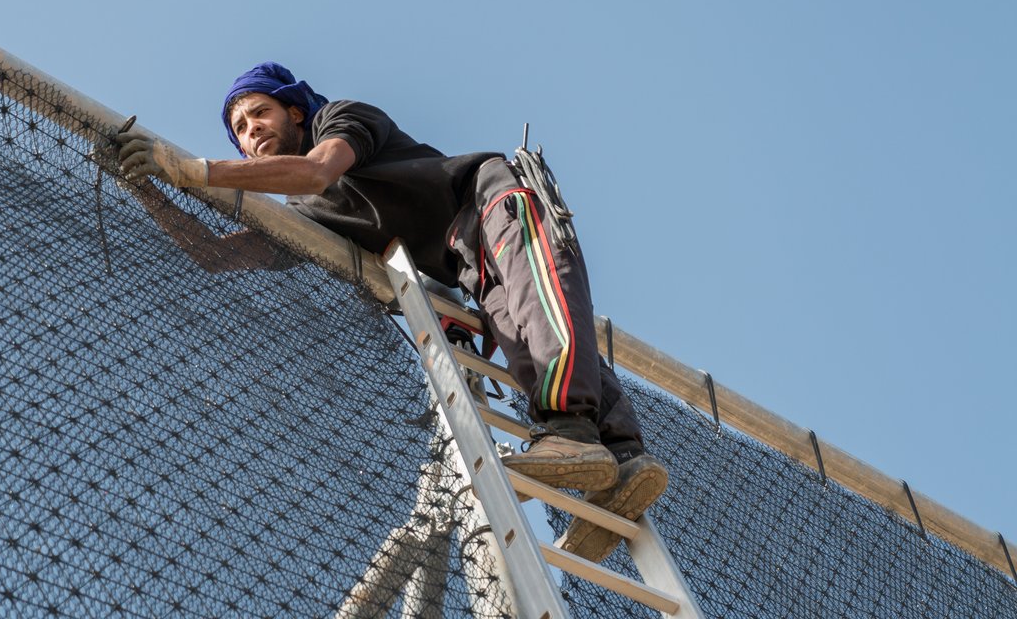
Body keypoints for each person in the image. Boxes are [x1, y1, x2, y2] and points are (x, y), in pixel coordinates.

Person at [117, 62, 667, 562]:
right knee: (524, 336)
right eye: (239, 128)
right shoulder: (304, 214)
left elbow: (315, 171)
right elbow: (217, 255)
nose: (250, 130)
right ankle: (622, 465)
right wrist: (146, 186)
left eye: (259, 113)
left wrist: (191, 169)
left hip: (488, 204)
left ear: (295, 111)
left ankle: (571, 429)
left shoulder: (340, 120)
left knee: (541, 302)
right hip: (465, 265)